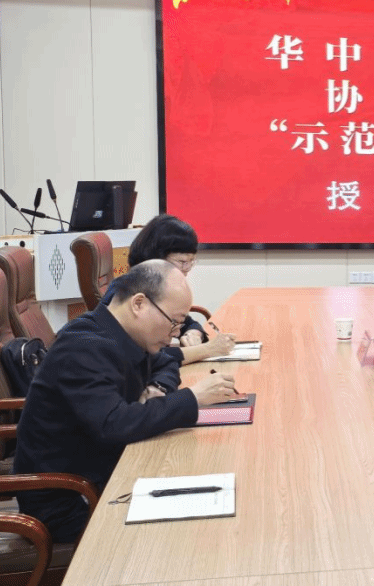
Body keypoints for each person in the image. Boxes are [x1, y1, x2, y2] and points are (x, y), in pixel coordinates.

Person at [14, 260, 238, 542]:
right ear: (139, 304)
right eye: (173, 322)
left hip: (106, 473)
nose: (175, 333)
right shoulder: (82, 347)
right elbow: (114, 424)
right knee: (189, 534)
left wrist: (157, 388)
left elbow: (166, 362)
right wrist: (192, 398)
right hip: (70, 500)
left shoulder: (123, 333)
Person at [103, 214, 235, 363]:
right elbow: (140, 359)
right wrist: (207, 349)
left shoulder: (160, 288)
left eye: (191, 262)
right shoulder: (125, 292)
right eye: (182, 262)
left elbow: (188, 323)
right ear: (156, 258)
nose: (187, 269)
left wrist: (193, 334)